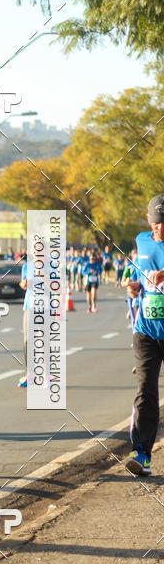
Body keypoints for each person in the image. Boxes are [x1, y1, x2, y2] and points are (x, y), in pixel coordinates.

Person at [125, 195, 164, 476]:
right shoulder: (142, 241)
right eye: (155, 222)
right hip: (147, 329)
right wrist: (135, 286)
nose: (159, 228)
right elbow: (140, 275)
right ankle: (141, 453)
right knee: (146, 389)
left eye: (163, 223)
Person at [18, 258, 28, 387]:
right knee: (27, 341)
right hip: (29, 306)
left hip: (45, 307)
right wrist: (23, 283)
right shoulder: (27, 266)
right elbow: (22, 283)